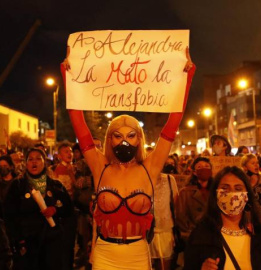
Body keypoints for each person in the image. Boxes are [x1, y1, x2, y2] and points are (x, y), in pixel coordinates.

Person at [61, 47, 195, 269]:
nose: (124, 141)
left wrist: (185, 77)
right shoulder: (99, 165)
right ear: (109, 140)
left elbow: (173, 123)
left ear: (139, 140)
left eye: (131, 136)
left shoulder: (150, 167)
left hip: (138, 252)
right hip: (104, 252)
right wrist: (70, 78)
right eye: (118, 136)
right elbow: (78, 121)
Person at [4, 148, 73, 270]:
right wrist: (18, 240)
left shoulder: (56, 185)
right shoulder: (18, 185)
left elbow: (69, 209)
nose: (34, 162)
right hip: (27, 244)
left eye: (38, 159)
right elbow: (9, 215)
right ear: (26, 163)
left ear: (44, 162)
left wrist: (55, 210)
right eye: (30, 159)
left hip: (51, 242)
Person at [184, 166, 261, 270]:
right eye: (225, 188)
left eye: (238, 189)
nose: (232, 193)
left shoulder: (258, 231)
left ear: (247, 195)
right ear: (216, 194)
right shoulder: (201, 234)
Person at [149, 160, 179, 270]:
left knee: (164, 266)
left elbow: (176, 203)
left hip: (166, 230)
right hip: (147, 232)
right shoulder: (142, 179)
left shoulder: (169, 180)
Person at [176, 157, 213, 240]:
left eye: (207, 167)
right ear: (195, 172)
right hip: (194, 236)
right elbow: (180, 217)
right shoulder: (185, 192)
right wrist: (191, 232)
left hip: (214, 235)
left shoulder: (217, 191)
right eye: (199, 167)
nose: (204, 169)